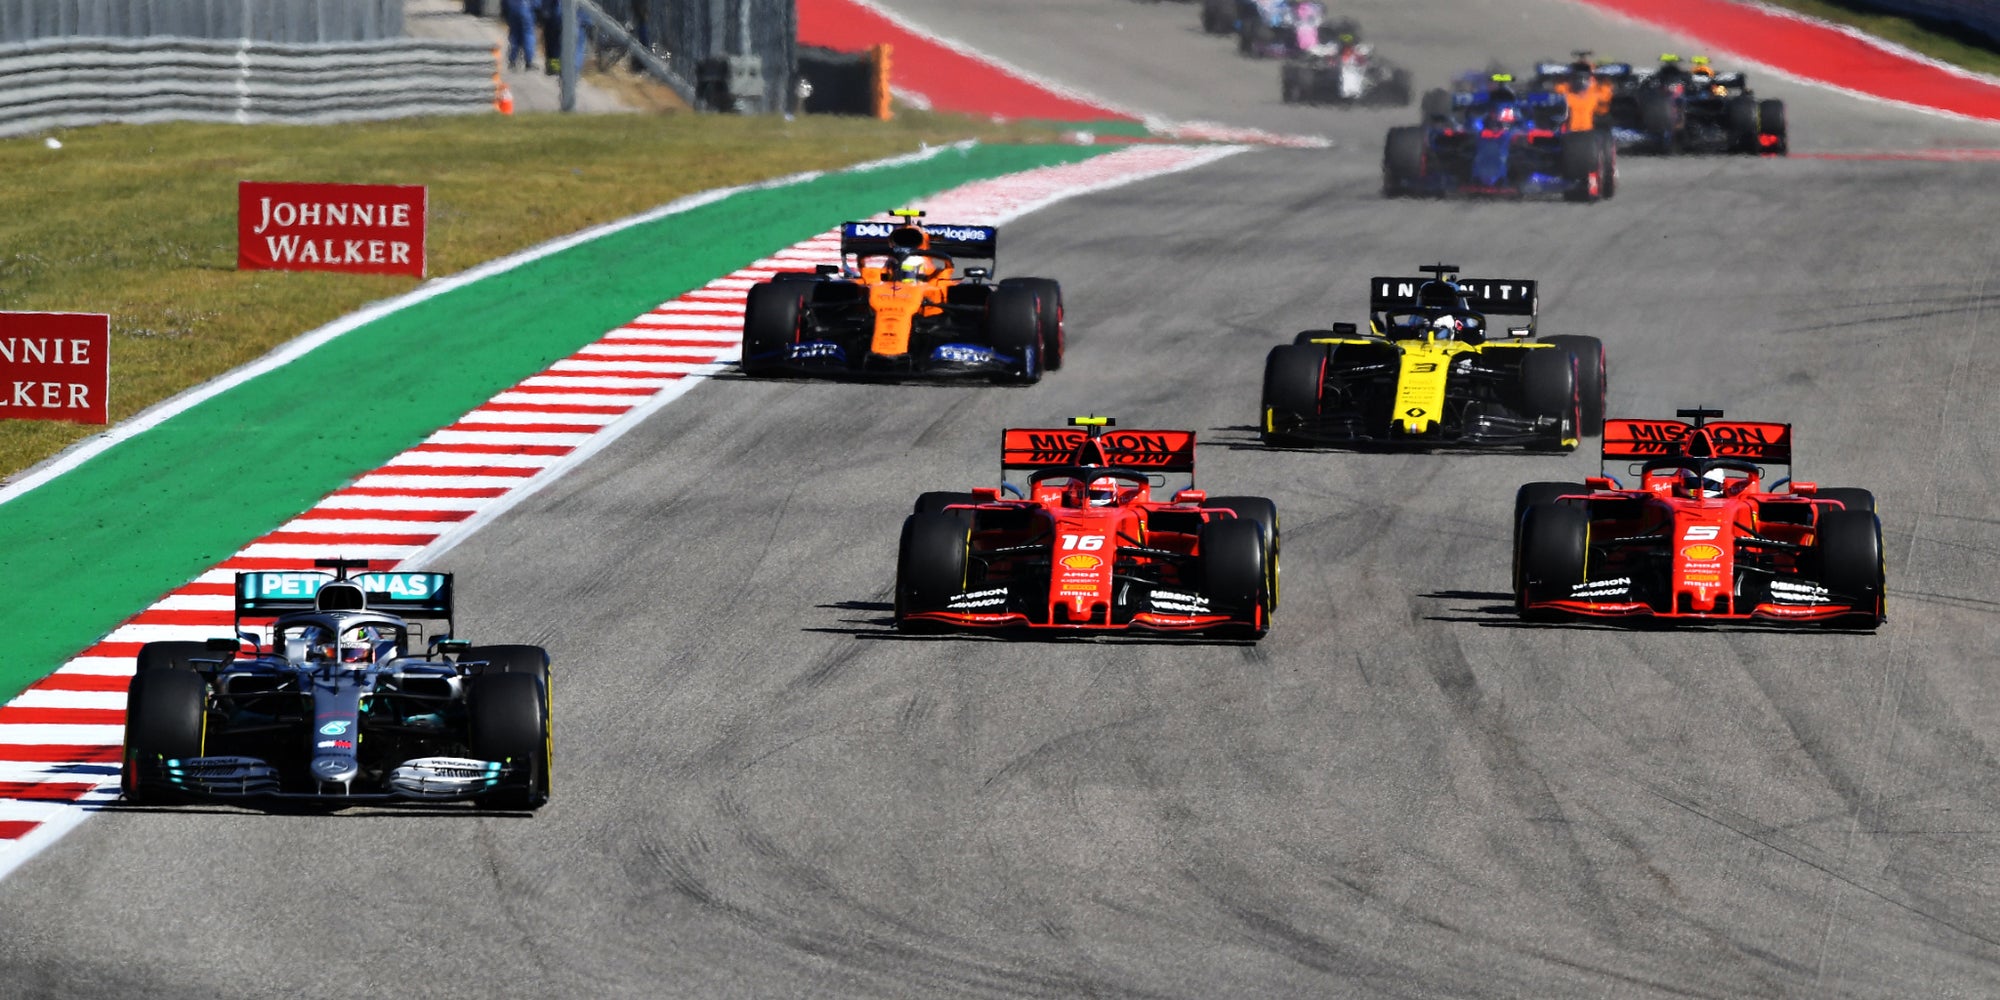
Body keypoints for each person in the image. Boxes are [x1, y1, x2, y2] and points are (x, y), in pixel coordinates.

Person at [503, 0, 537, 71]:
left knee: (514, 35)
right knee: (528, 36)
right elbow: (537, 4)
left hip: (513, 11)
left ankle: (512, 61)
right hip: (526, 11)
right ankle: (528, 62)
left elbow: (505, 3)